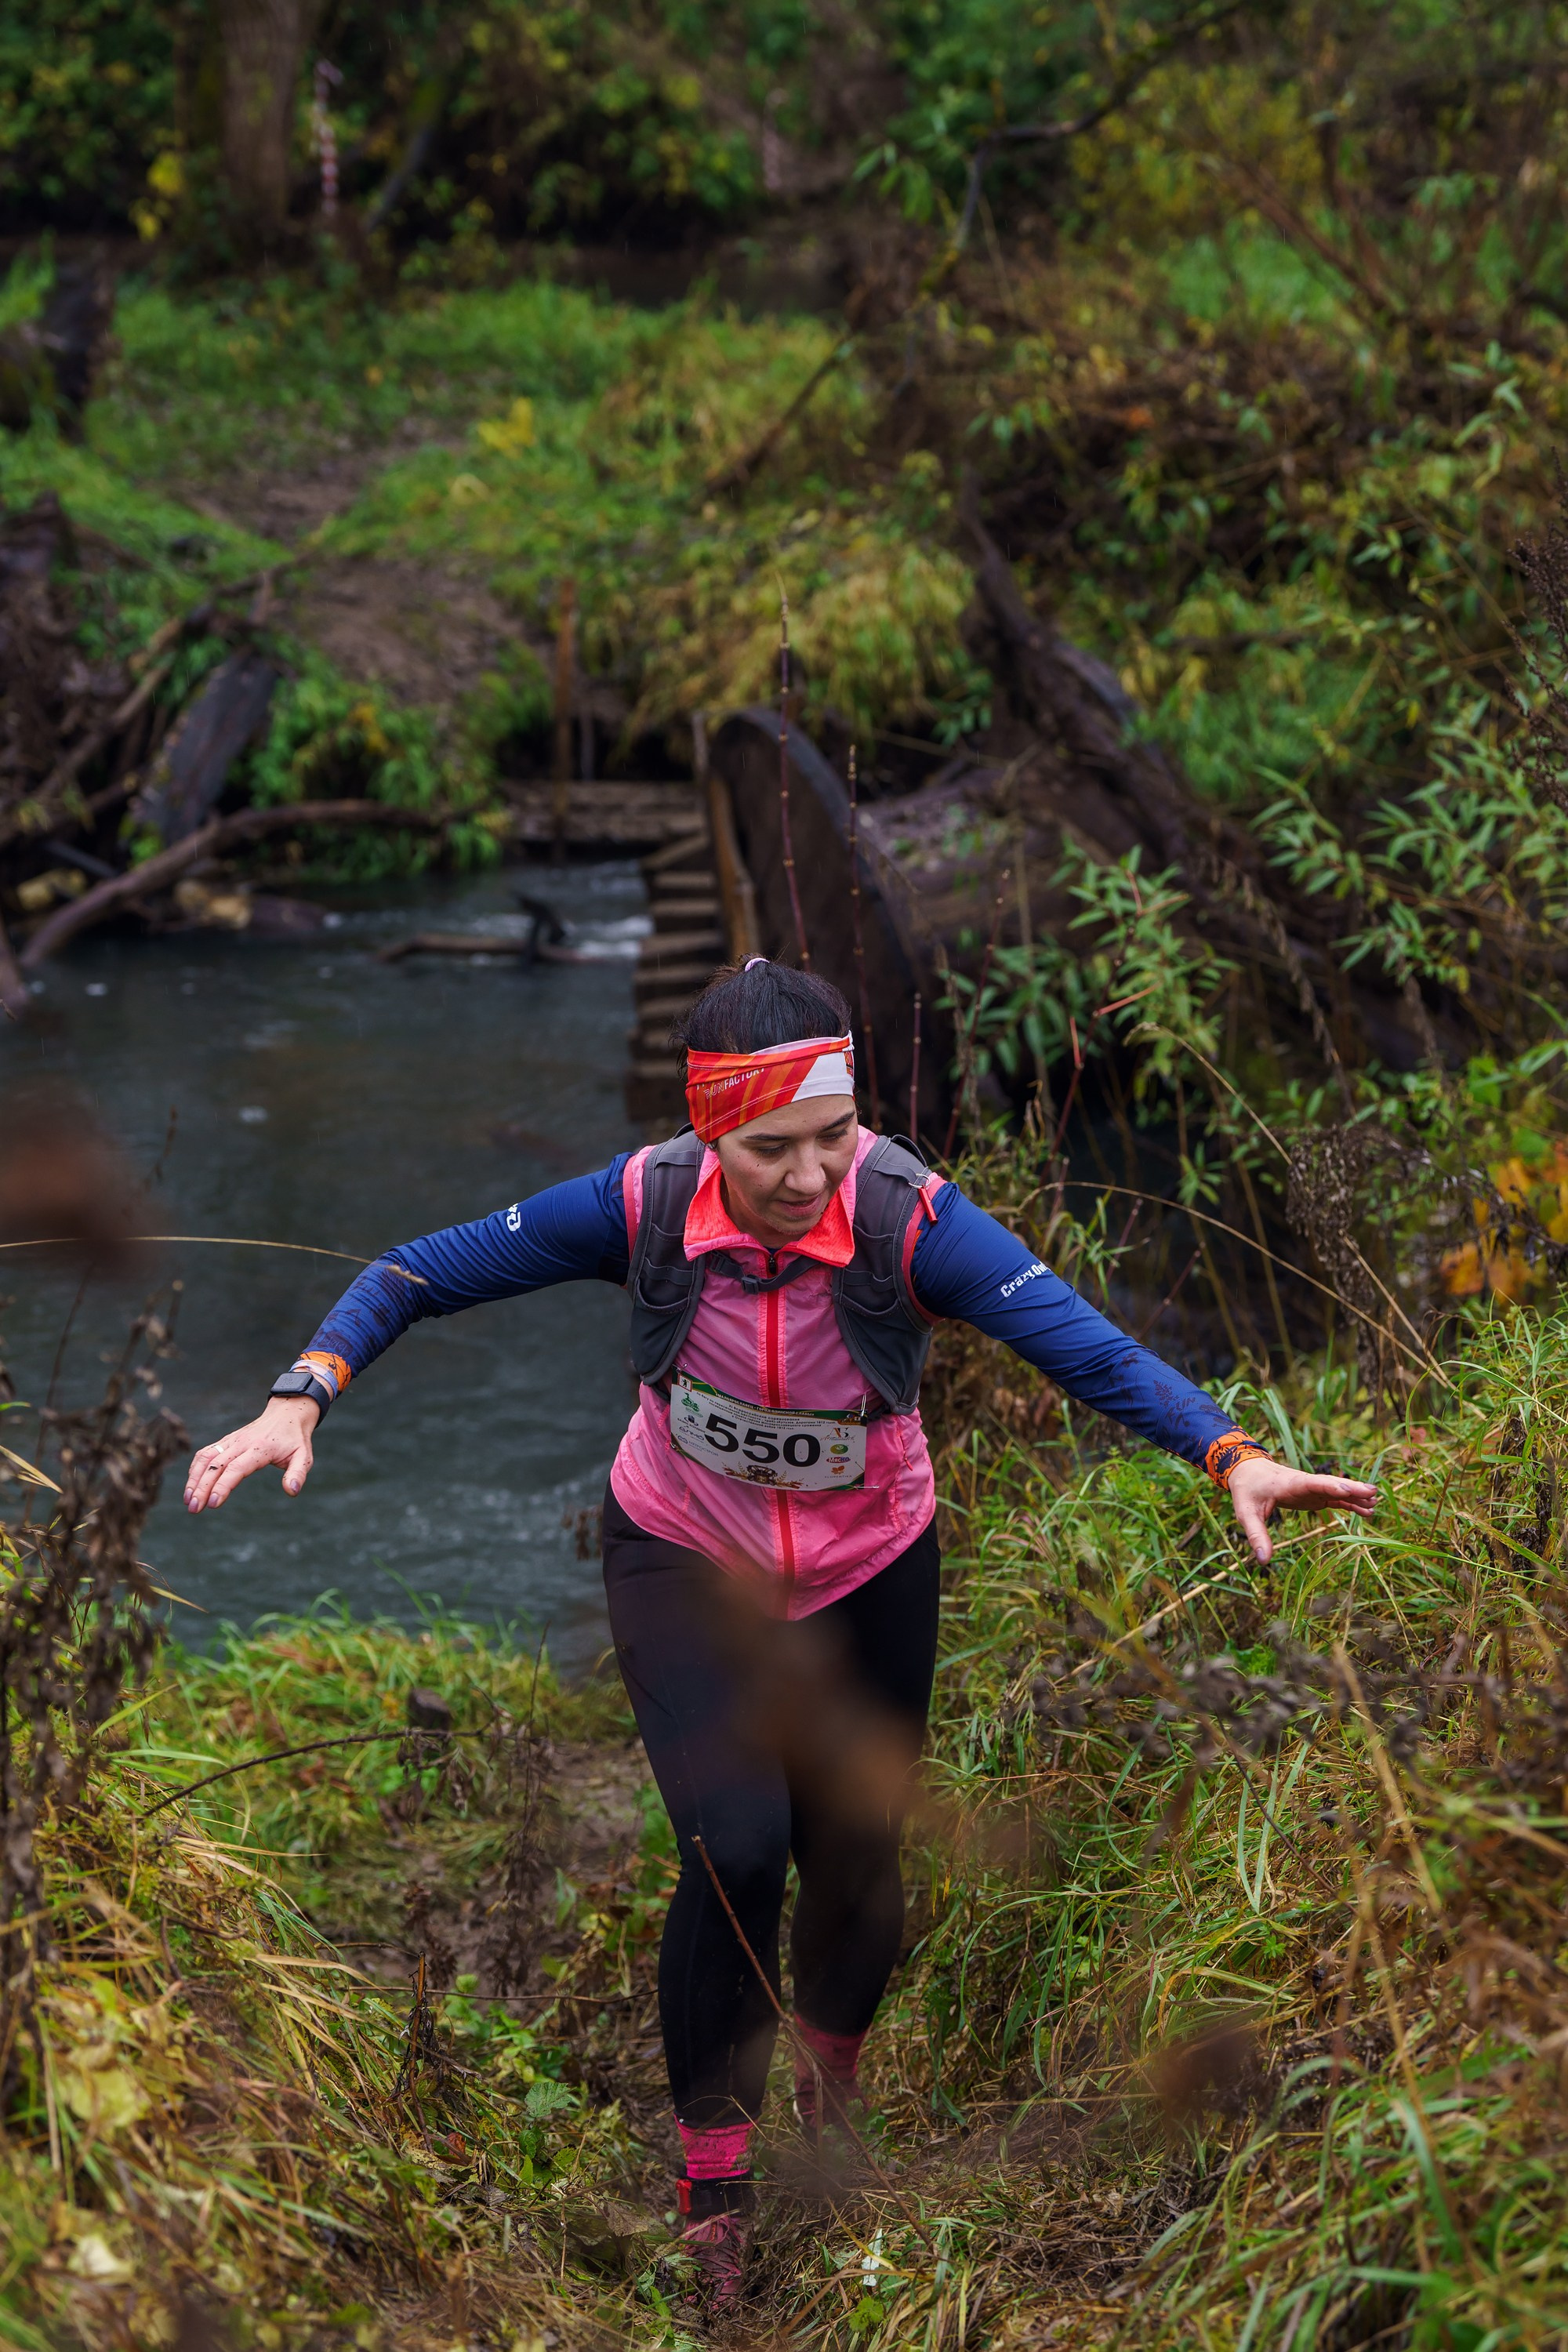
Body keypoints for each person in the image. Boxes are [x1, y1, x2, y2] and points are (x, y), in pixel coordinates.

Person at [184, 958, 1377, 2307]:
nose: (811, 1174)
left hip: (871, 1562)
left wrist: (1229, 1455)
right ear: (712, 1133)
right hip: (685, 1554)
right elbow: (416, 1270)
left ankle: (830, 2092)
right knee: (739, 1850)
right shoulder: (640, 1204)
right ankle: (713, 2182)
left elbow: (1088, 1348)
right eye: (772, 1149)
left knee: (858, 1861)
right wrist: (303, 1391)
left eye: (834, 1134)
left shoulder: (909, 1220)